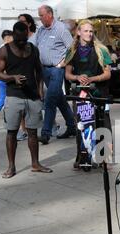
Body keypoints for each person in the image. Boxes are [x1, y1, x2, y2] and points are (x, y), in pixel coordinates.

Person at [0, 22, 52, 179]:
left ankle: (35, 163)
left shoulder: (33, 49)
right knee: (11, 132)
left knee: (33, 132)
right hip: (14, 96)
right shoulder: (4, 51)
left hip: (32, 96)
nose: (22, 42)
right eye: (19, 39)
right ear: (14, 35)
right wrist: (12, 78)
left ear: (28, 34)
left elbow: (39, 71)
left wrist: (40, 91)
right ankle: (11, 167)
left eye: (24, 39)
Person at [64, 19, 112, 169]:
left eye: (91, 31)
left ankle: (105, 158)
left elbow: (108, 73)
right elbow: (67, 74)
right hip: (80, 94)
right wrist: (77, 77)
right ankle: (82, 157)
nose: (89, 34)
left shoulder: (101, 49)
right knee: (82, 125)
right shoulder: (72, 51)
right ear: (78, 32)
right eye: (86, 31)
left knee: (102, 124)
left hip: (99, 92)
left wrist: (92, 79)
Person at [32, 5, 76, 145]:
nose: (40, 18)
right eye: (39, 15)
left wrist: (63, 63)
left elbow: (72, 49)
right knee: (59, 99)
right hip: (45, 70)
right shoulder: (41, 30)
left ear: (50, 14)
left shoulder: (61, 29)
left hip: (56, 70)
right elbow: (32, 44)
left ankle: (46, 133)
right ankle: (72, 127)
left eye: (42, 15)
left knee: (50, 100)